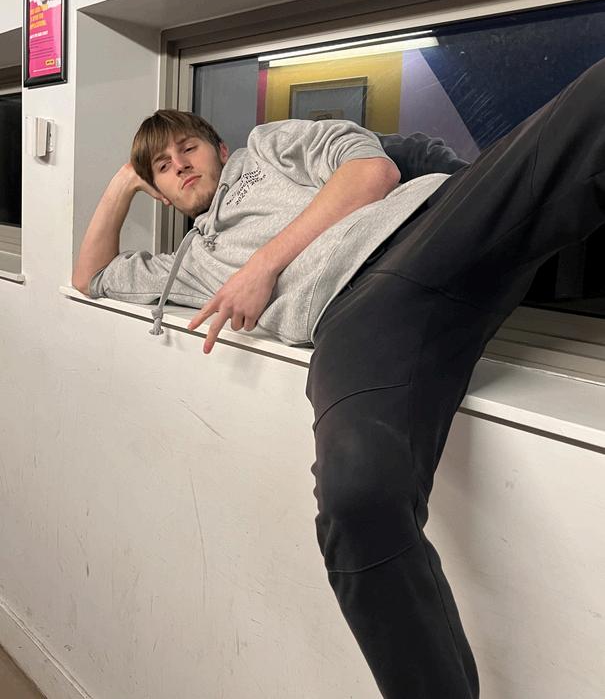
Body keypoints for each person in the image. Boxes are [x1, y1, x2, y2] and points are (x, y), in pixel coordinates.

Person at [73, 57, 605, 698]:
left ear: (220, 150)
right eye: (161, 167)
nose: (180, 164)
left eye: (188, 147)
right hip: (354, 319)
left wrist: (262, 266)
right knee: (356, 505)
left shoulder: (268, 146)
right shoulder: (187, 265)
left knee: (591, 103)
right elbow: (90, 276)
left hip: (429, 225)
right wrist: (121, 183)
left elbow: (373, 172)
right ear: (158, 191)